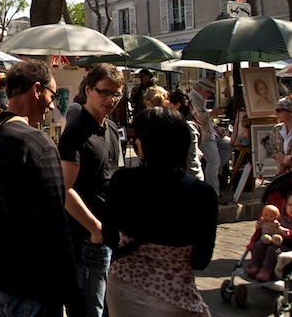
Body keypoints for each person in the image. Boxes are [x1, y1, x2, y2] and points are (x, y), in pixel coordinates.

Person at [0, 60, 81, 316]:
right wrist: (72, 292)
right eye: (52, 95)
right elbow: (55, 227)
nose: (52, 104)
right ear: (37, 90)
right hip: (30, 283)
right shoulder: (37, 143)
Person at [103, 106, 217, 317]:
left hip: (123, 288)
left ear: (144, 143)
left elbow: (109, 238)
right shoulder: (202, 193)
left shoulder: (122, 181)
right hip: (175, 295)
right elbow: (201, 260)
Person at [59, 62, 124, 317]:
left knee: (108, 308)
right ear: (88, 90)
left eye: (116, 93)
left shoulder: (110, 128)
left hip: (108, 234)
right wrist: (94, 228)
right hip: (86, 238)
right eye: (104, 92)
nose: (111, 99)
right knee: (88, 309)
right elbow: (64, 189)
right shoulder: (76, 132)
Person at [245, 192, 292, 283]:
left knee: (272, 250)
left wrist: (286, 232)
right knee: (258, 245)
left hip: (290, 244)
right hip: (273, 239)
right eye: (290, 205)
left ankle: (266, 271)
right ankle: (255, 266)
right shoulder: (281, 217)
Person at [189, 77, 224, 198]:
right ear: (201, 89)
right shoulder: (193, 99)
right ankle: (213, 191)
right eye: (208, 91)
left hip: (209, 133)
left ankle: (215, 176)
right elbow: (197, 118)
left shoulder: (200, 99)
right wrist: (211, 114)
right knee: (214, 160)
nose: (210, 94)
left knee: (227, 145)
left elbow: (206, 119)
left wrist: (216, 128)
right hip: (202, 135)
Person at [168, 89, 205, 182]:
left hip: (191, 177)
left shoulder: (187, 127)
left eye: (169, 103)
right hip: (186, 176)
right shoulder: (181, 125)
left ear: (177, 105)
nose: (167, 106)